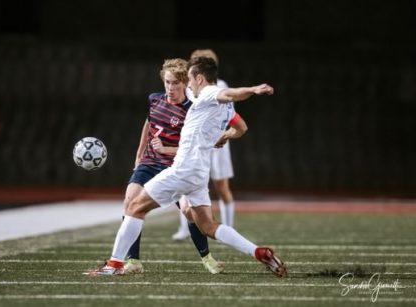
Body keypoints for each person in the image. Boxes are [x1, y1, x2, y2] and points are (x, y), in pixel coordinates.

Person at [88, 56, 287, 277]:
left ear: (200, 79)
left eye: (190, 79)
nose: (188, 84)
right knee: (208, 226)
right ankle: (258, 251)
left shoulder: (210, 94)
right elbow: (241, 128)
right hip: (200, 174)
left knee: (134, 207)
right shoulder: (220, 106)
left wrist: (253, 89)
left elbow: (230, 93)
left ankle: (114, 265)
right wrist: (225, 135)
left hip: (183, 168)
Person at [110, 58, 227, 274]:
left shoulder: (192, 110)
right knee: (130, 201)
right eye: (167, 82)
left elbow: (192, 147)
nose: (170, 88)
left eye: (175, 83)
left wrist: (166, 149)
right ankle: (133, 261)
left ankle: (207, 258)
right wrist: (139, 153)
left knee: (189, 212)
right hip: (149, 162)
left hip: (176, 166)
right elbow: (149, 123)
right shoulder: (154, 100)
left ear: (185, 84)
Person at [172, 49, 238, 241]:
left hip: (217, 141)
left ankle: (228, 227)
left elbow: (229, 114)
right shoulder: (188, 87)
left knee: (221, 186)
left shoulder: (221, 86)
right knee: (186, 182)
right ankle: (185, 227)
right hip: (195, 144)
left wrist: (224, 134)